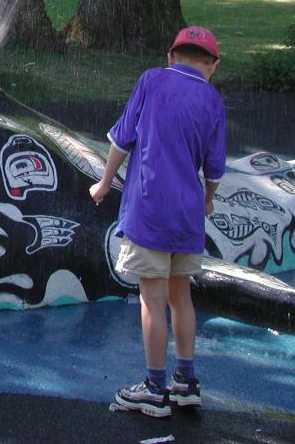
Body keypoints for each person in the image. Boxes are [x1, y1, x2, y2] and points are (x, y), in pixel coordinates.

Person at [89, 26, 226, 419]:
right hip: (187, 216)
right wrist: (207, 199)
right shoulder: (213, 100)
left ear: (171, 56)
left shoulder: (151, 81)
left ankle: (153, 388)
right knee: (180, 296)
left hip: (149, 209)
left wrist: (102, 183)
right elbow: (214, 168)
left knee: (152, 298)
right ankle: (186, 381)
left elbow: (121, 139)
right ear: (213, 65)